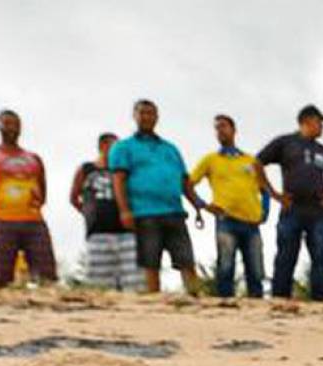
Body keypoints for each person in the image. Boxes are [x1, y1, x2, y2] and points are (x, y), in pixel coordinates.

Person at [110, 99, 208, 294]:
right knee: (150, 262)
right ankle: (154, 302)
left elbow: (184, 181)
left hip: (174, 211)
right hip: (145, 213)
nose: (146, 117)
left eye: (151, 113)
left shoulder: (170, 149)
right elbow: (118, 180)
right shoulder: (123, 147)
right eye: (142, 113)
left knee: (186, 259)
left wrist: (198, 204)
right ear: (135, 116)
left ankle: (195, 299)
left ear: (157, 117)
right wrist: (124, 211)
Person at [259, 104, 323, 301]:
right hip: (292, 207)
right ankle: (280, 299)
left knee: (321, 256)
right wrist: (274, 193)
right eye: (320, 123)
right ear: (307, 121)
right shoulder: (285, 143)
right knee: (286, 255)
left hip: (318, 211)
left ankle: (319, 301)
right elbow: (256, 163)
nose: (322, 128)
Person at [188, 114, 269, 298]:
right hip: (226, 221)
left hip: (252, 222)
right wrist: (202, 205)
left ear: (233, 129)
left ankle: (257, 305)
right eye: (217, 128)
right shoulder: (210, 160)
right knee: (225, 266)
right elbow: (188, 183)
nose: (220, 131)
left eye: (224, 126)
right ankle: (225, 304)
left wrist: (265, 210)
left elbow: (265, 188)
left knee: (255, 269)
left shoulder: (251, 160)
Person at [0, 110, 55, 287]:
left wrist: (33, 207)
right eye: (7, 123)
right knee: (2, 273)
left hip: (34, 221)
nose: (12, 128)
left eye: (15, 124)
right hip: (3, 221)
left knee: (46, 271)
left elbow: (42, 191)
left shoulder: (34, 158)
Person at [71, 133, 134, 291]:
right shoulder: (86, 169)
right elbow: (74, 197)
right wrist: (88, 213)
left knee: (132, 281)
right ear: (103, 146)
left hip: (126, 231)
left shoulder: (124, 171)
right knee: (99, 284)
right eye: (113, 146)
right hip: (98, 232)